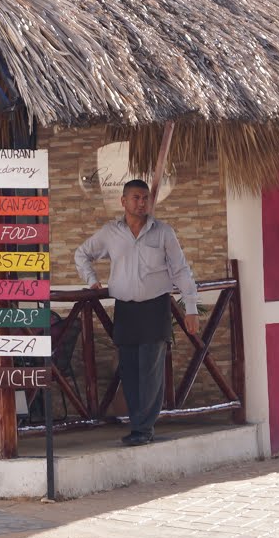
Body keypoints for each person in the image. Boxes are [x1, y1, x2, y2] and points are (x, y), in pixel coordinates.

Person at [73, 179, 200, 447]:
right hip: (126, 310)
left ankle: (143, 428)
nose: (141, 203)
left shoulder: (164, 232)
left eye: (145, 198)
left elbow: (181, 270)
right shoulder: (110, 233)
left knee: (151, 371)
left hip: (155, 308)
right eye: (135, 198)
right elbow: (82, 253)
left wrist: (190, 308)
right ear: (123, 201)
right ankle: (137, 424)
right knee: (129, 370)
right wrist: (92, 281)